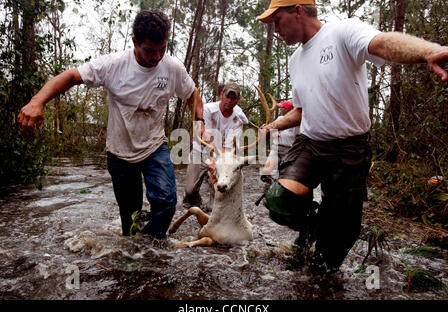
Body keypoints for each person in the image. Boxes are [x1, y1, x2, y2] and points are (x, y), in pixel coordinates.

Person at [257, 0, 448, 274]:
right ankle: (311, 226)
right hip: (310, 144)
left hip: (350, 148)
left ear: (298, 10)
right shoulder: (295, 60)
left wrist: (430, 51)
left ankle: (324, 246)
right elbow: (301, 110)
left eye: (277, 20)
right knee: (279, 199)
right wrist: (275, 124)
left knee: (333, 250)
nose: (275, 29)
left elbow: (384, 43)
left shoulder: (342, 32)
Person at [17, 9, 205, 239]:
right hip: (119, 152)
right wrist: (37, 101)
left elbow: (192, 93)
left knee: (167, 202)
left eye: (162, 50)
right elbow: (70, 77)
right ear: (135, 41)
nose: (156, 57)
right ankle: (135, 252)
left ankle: (148, 250)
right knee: (130, 219)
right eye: (150, 51)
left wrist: (199, 121)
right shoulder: (113, 65)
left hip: (154, 146)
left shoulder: (172, 67)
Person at [182, 82, 248, 211]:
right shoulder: (206, 109)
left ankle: (213, 203)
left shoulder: (238, 119)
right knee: (190, 191)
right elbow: (199, 133)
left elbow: (228, 148)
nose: (229, 100)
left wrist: (216, 163)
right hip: (200, 151)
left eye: (233, 98)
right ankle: (195, 201)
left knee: (216, 201)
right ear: (221, 96)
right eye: (227, 96)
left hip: (220, 155)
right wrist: (211, 158)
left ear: (237, 100)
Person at [261, 100, 298, 179]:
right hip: (276, 147)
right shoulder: (279, 118)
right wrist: (271, 131)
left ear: (287, 109)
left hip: (289, 150)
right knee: (267, 171)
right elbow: (272, 128)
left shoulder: (296, 121)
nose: (280, 109)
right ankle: (268, 186)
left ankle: (279, 185)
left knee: (284, 173)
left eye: (282, 107)